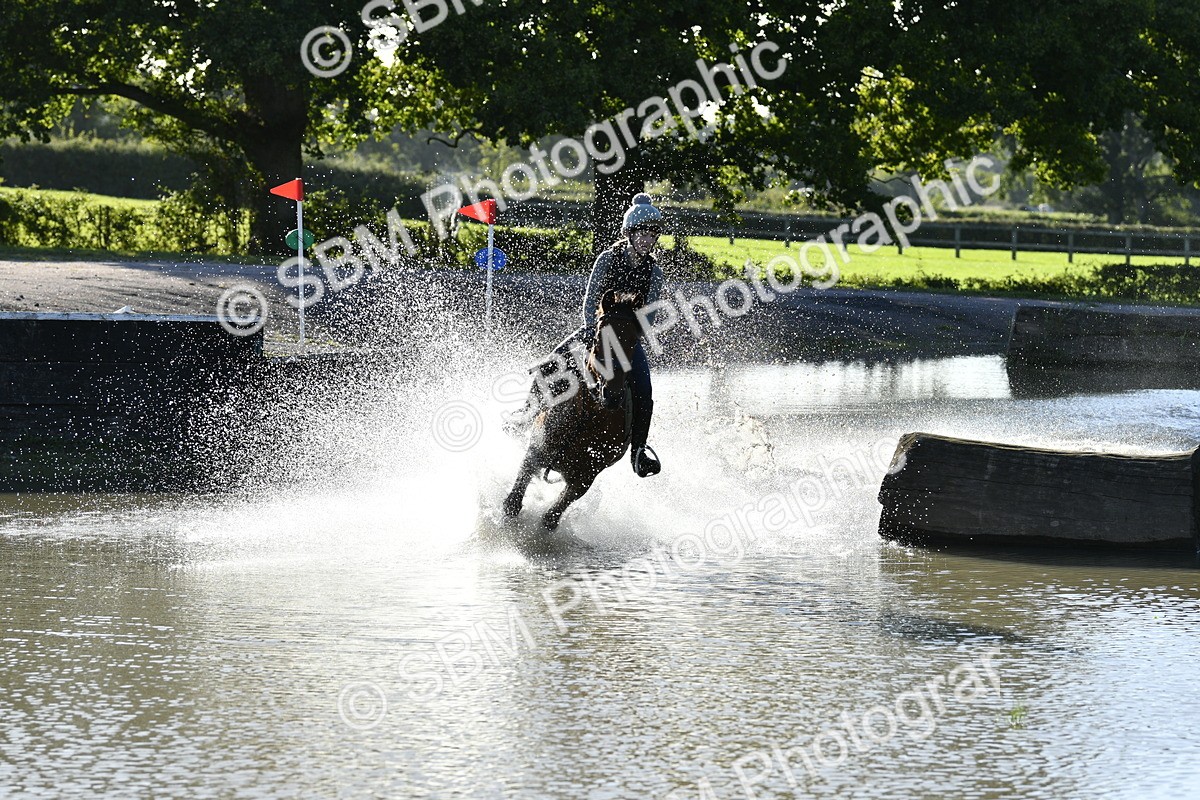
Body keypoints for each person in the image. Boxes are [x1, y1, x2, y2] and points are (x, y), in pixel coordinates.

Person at [508, 192, 665, 478]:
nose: (646, 239)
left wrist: (627, 339)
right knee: (550, 364)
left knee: (645, 391)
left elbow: (649, 317)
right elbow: (590, 299)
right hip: (595, 329)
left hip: (628, 338)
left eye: (652, 234)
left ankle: (639, 452)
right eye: (642, 233)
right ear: (629, 233)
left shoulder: (655, 272)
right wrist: (596, 334)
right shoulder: (607, 259)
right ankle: (526, 414)